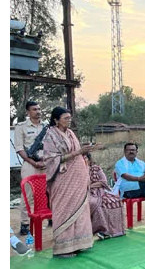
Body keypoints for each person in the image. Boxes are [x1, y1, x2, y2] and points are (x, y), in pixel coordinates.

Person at [43, 107, 101, 258]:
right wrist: (79, 152)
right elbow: (51, 159)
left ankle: (79, 243)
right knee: (65, 211)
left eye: (70, 118)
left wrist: (86, 149)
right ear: (56, 120)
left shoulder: (70, 133)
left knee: (81, 210)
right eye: (65, 118)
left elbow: (76, 152)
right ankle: (63, 248)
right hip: (63, 180)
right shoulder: (51, 135)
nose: (69, 120)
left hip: (77, 179)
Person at [14, 101, 47, 235]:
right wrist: (34, 162)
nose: (38, 111)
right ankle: (25, 223)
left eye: (39, 109)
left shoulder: (46, 127)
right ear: (28, 112)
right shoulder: (21, 127)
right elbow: (19, 148)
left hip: (45, 164)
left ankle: (50, 217)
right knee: (28, 194)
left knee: (48, 191)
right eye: (34, 109)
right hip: (30, 164)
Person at [86, 153, 125, 240]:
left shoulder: (96, 168)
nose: (84, 160)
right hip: (85, 193)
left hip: (100, 191)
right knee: (97, 204)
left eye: (86, 158)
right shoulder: (77, 170)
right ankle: (102, 230)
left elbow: (103, 181)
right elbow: (81, 185)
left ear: (89, 159)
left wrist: (90, 185)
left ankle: (115, 231)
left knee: (114, 200)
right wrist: (90, 186)